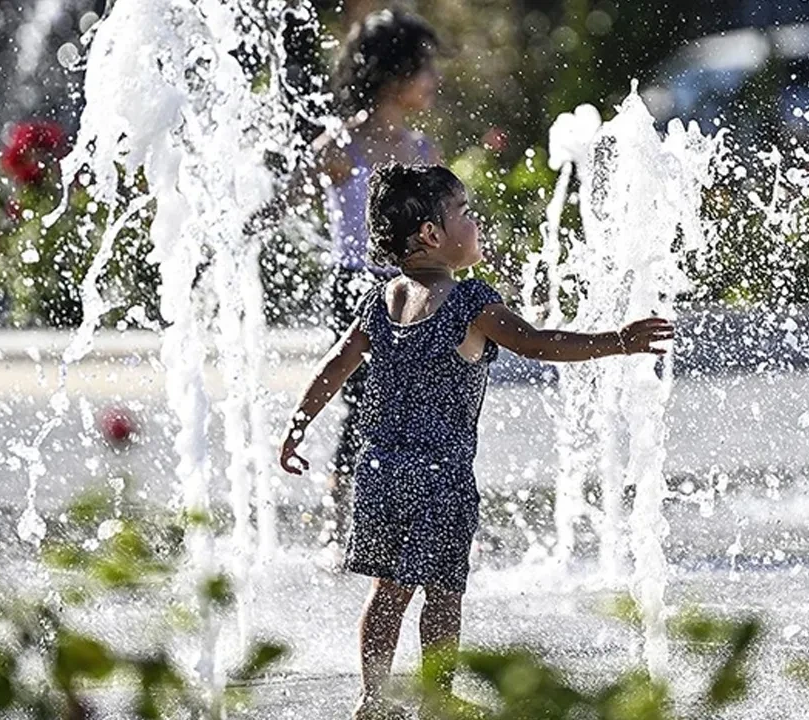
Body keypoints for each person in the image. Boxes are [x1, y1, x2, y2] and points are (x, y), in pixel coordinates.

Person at [278, 163, 674, 719]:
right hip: (441, 478)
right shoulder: (469, 302)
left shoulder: (379, 301)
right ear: (431, 234)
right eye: (464, 212)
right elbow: (536, 343)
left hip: (379, 471)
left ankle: (373, 698)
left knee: (387, 592)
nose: (476, 221)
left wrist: (297, 426)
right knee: (442, 593)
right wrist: (617, 341)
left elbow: (334, 366)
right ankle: (437, 699)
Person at [316, 8, 445, 558]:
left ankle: (409, 516)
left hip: (413, 292)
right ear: (395, 74)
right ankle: (340, 522)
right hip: (356, 292)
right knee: (363, 407)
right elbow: (284, 202)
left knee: (417, 409)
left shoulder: (423, 153)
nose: (435, 79)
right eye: (425, 68)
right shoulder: (339, 148)